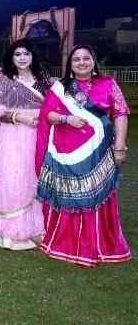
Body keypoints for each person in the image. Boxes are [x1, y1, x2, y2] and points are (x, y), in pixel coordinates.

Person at [35, 44, 131, 266]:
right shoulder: (61, 87)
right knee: (69, 195)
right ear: (70, 64)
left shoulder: (108, 84)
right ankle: (66, 241)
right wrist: (67, 119)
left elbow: (121, 113)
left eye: (86, 58)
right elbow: (48, 115)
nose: (81, 62)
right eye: (76, 59)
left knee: (97, 195)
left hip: (99, 152)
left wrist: (120, 145)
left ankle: (99, 243)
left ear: (93, 61)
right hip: (66, 152)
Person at [0, 39, 47, 250]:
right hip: (13, 137)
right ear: (12, 58)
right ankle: (11, 227)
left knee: (35, 176)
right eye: (18, 54)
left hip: (39, 135)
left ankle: (36, 226)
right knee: (14, 177)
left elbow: (53, 108)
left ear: (32, 56)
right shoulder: (6, 81)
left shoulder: (43, 80)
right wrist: (19, 117)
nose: (22, 58)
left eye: (26, 53)